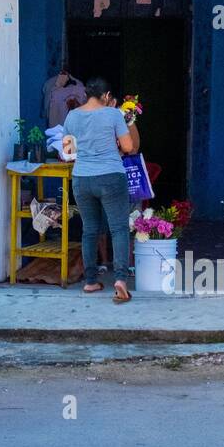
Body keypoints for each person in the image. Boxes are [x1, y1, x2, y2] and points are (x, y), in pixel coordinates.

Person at [63, 77, 140, 303]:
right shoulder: (113, 114)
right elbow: (128, 147)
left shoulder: (72, 116)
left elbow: (68, 153)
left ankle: (90, 282)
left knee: (89, 230)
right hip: (110, 176)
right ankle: (120, 280)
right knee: (118, 229)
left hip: (81, 178)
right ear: (107, 97)